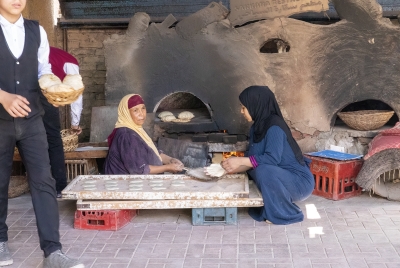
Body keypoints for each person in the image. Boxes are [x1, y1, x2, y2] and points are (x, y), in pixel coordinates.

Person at [0, 0, 84, 267]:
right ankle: (0, 242)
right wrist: (2, 97)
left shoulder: (37, 31)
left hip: (32, 118)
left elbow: (43, 70)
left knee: (44, 181)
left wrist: (54, 92)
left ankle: (53, 253)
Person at [220, 86, 315, 225]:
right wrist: (230, 168)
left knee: (263, 169)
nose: (241, 111)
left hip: (299, 182)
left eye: (243, 107)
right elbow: (252, 158)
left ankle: (284, 213)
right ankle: (275, 204)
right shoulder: (257, 127)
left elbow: (271, 159)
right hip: (280, 176)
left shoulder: (275, 127)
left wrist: (239, 160)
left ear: (255, 106)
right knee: (257, 169)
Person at [104, 94, 184, 175]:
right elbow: (139, 170)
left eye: (143, 108)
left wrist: (170, 160)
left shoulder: (136, 129)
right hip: (122, 183)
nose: (141, 114)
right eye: (135, 110)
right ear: (126, 113)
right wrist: (168, 168)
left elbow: (152, 152)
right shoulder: (126, 135)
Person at [40, 46, 83, 198]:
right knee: (54, 140)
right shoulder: (70, 61)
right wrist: (75, 123)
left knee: (29, 138)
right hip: (45, 95)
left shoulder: (30, 50)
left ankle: (38, 186)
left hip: (22, 95)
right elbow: (76, 93)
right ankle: (60, 187)